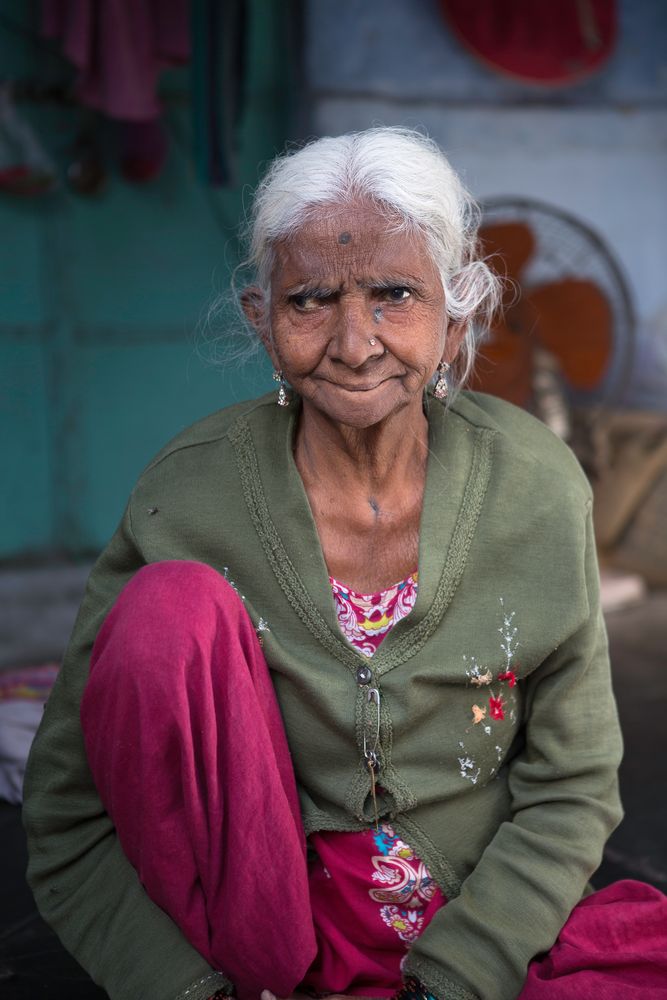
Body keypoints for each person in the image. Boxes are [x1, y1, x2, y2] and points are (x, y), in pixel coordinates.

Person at [22, 128, 667, 1000]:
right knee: (166, 608)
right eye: (310, 301)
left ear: (457, 312)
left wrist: (456, 977)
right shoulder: (188, 493)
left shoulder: (534, 486)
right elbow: (68, 819)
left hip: (477, 918)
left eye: (394, 294)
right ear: (262, 321)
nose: (354, 343)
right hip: (246, 933)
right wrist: (182, 989)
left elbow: (574, 787)